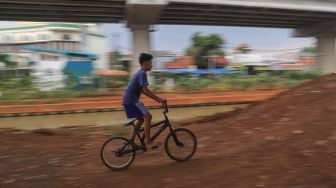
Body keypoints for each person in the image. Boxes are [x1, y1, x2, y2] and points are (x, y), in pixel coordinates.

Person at [122, 53, 166, 150]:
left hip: (129, 100)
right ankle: (148, 142)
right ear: (145, 63)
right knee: (148, 116)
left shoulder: (140, 73)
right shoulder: (142, 73)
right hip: (131, 100)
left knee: (142, 119)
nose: (152, 65)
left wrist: (157, 99)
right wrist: (159, 99)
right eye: (150, 63)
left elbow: (143, 91)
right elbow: (145, 90)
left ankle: (132, 141)